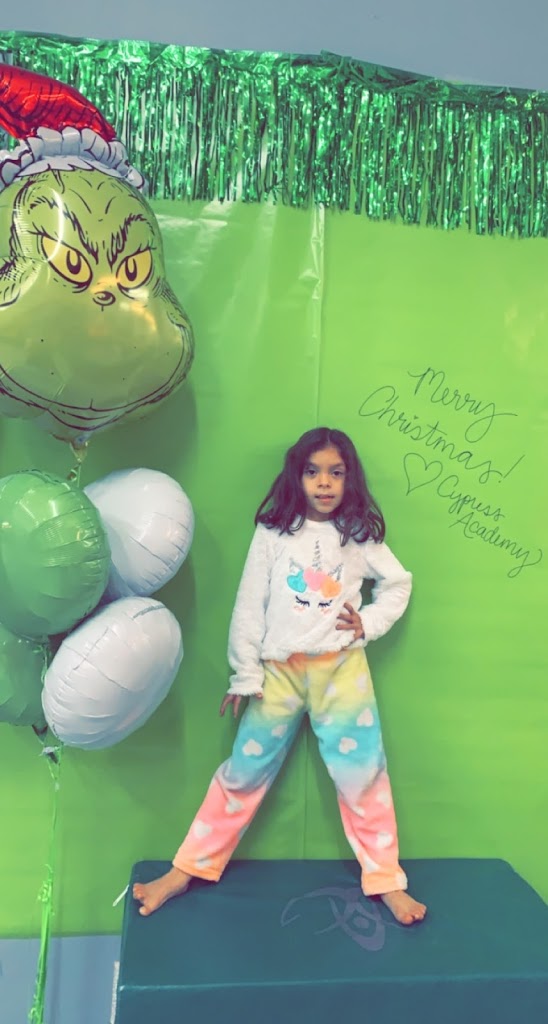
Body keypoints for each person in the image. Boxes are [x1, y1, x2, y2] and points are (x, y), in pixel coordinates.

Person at [133, 427, 427, 925]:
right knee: (242, 773)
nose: (324, 483)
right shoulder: (274, 533)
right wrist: (244, 675)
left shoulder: (358, 536)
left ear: (350, 478)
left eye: (336, 472)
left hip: (342, 672)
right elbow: (251, 604)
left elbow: (398, 584)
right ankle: (186, 868)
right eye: (313, 472)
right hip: (278, 675)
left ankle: (386, 880)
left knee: (363, 775)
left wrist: (369, 622)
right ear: (298, 476)